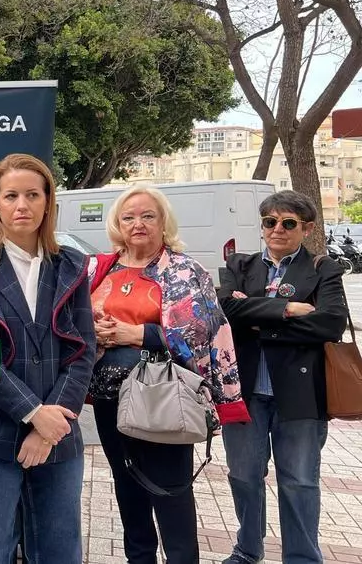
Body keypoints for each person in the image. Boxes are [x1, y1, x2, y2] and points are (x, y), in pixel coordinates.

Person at [88, 183, 249, 564]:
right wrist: (93, 330)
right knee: (127, 488)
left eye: (148, 216)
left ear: (164, 222)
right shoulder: (99, 268)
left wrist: (136, 334)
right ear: (117, 224)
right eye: (129, 217)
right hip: (110, 399)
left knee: (170, 492)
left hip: (165, 397)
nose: (138, 224)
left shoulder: (185, 270)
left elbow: (202, 333)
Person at [0, 153, 94, 564]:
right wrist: (33, 413)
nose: (22, 205)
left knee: (59, 553)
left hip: (59, 439)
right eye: (11, 195)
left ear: (48, 202)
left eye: (33, 195)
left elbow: (83, 350)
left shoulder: (71, 267)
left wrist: (48, 427)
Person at [219, 190, 347, 564]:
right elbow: (225, 310)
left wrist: (256, 317)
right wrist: (288, 309)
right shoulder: (239, 264)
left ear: (306, 229)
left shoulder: (323, 269)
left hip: (301, 395)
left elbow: (330, 323)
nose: (277, 229)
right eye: (270, 221)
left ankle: (302, 558)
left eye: (288, 223)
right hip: (245, 393)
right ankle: (248, 550)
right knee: (243, 477)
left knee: (299, 482)